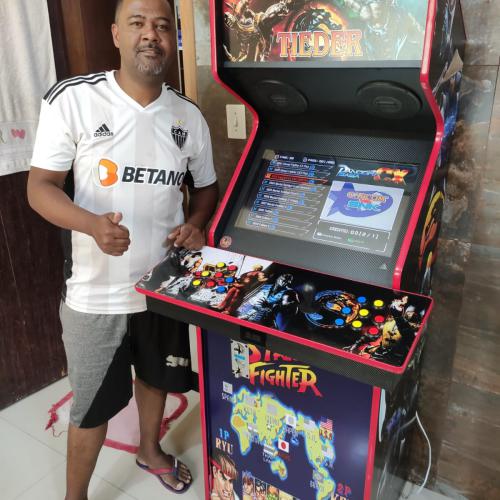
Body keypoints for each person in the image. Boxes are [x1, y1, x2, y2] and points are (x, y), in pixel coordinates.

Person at [27, 0, 218, 498]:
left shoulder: (188, 116)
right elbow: (40, 187)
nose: (150, 34)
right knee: (91, 407)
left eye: (162, 25)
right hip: (96, 295)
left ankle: (149, 450)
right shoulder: (74, 99)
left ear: (173, 38)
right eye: (137, 23)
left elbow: (205, 188)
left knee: (155, 379)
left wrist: (195, 224)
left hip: (163, 286)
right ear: (116, 33)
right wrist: (91, 225)